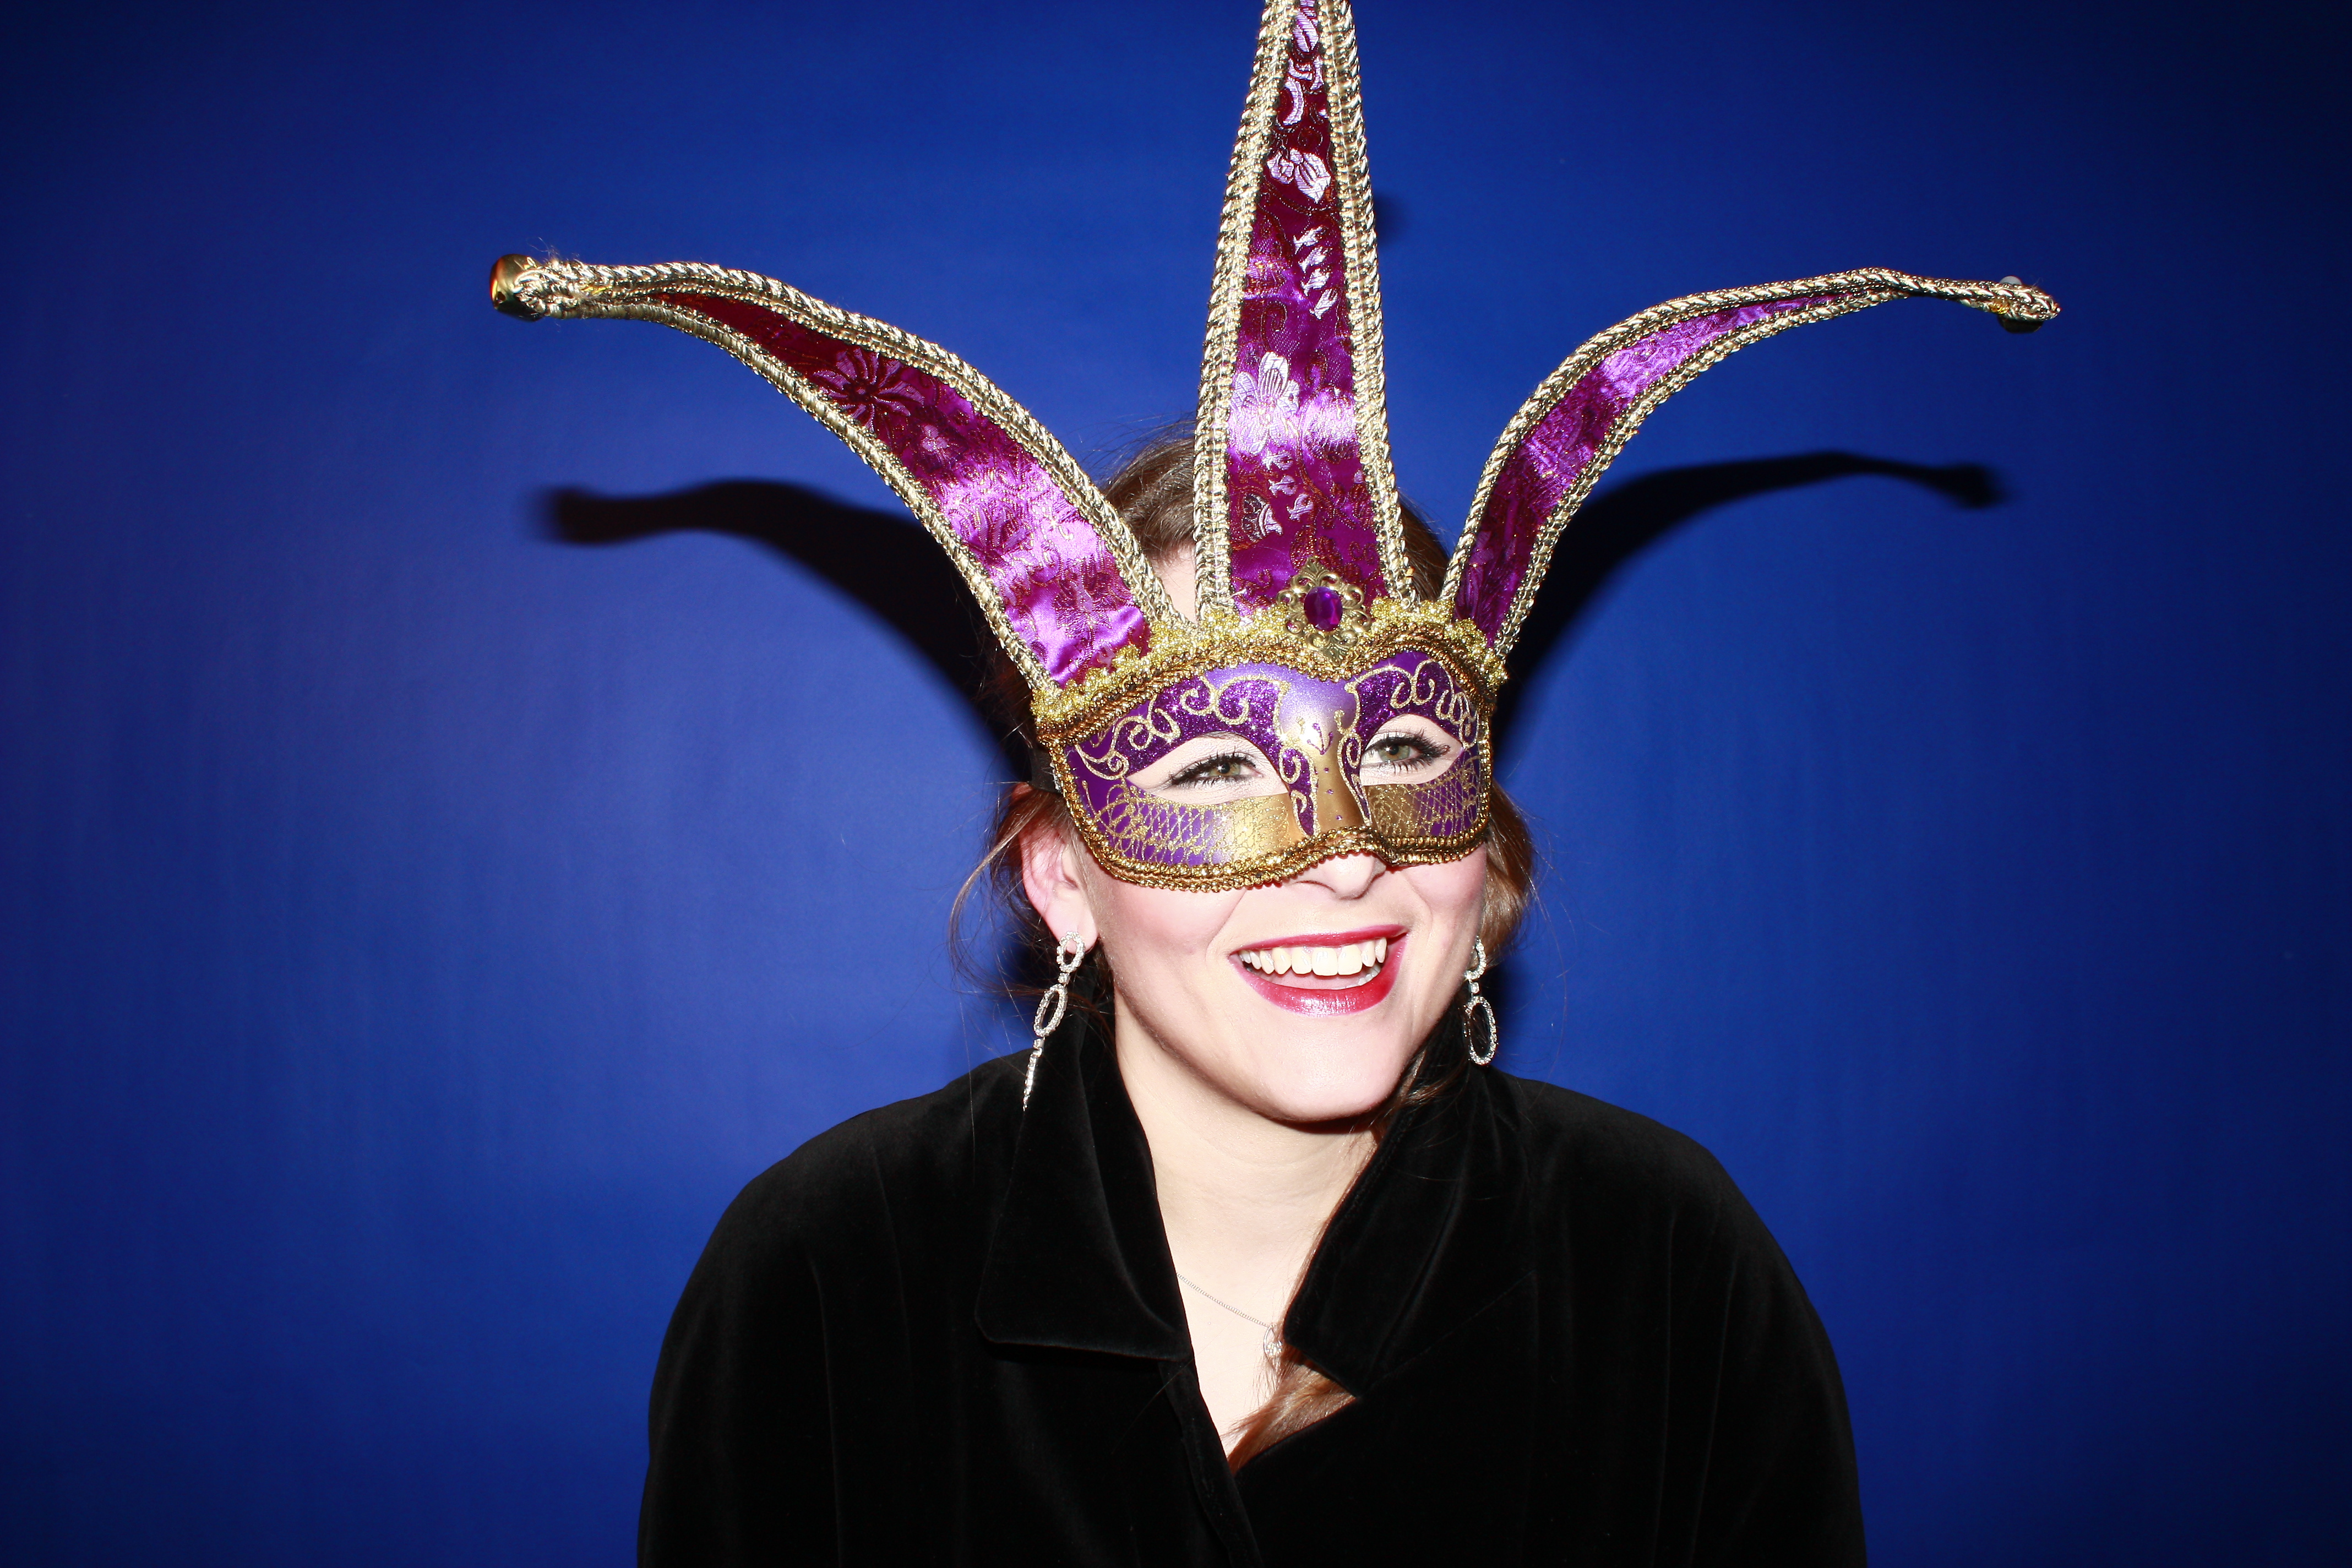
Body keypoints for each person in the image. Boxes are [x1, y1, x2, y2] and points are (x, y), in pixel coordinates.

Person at [488, 4, 2054, 1561]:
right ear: (1060, 875)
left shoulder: (1663, 1263)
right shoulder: (832, 1271)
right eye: (1218, 768)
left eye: (1405, 752)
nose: (1346, 858)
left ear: (1486, 858)